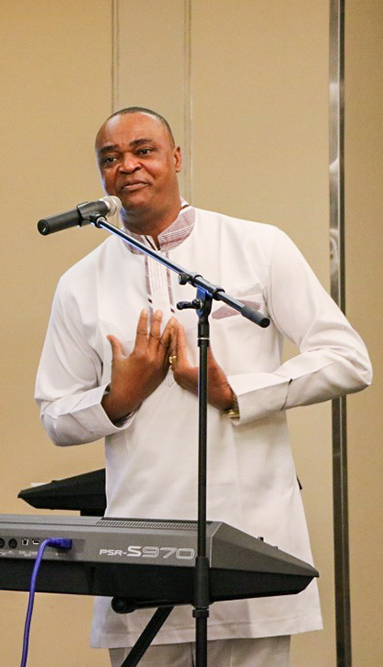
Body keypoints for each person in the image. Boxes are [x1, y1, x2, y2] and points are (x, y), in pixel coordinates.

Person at [34, 107, 372, 666]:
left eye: (143, 150)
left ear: (176, 158)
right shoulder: (79, 284)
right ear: (102, 177)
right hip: (140, 545)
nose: (127, 166)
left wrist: (236, 392)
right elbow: (54, 414)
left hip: (252, 537)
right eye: (111, 158)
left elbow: (348, 359)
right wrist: (120, 398)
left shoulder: (257, 246)